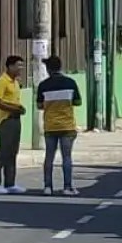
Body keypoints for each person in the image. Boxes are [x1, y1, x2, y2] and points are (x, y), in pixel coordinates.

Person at [36, 56, 82, 196]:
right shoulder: (70, 82)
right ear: (60, 67)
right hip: (67, 126)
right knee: (66, 157)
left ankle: (47, 187)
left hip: (50, 126)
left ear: (48, 69)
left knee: (49, 157)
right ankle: (67, 187)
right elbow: (78, 102)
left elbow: (39, 105)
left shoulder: (43, 85)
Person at [0, 55, 27, 195]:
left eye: (22, 66)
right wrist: (14, 108)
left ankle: (10, 182)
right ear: (10, 66)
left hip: (15, 120)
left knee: (13, 152)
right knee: (3, 152)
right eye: (18, 65)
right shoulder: (2, 81)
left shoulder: (16, 82)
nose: (20, 68)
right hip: (5, 120)